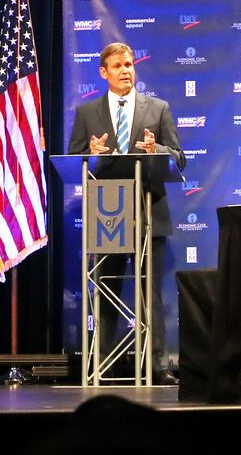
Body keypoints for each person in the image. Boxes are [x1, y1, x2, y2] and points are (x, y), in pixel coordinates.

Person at [66, 42, 185, 382]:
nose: (126, 71)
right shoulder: (87, 113)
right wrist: (90, 152)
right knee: (105, 290)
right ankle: (100, 363)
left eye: (129, 64)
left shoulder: (158, 109)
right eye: (118, 66)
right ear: (103, 72)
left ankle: (158, 366)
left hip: (150, 213)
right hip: (108, 216)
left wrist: (156, 149)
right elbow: (74, 161)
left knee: (150, 294)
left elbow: (179, 157)